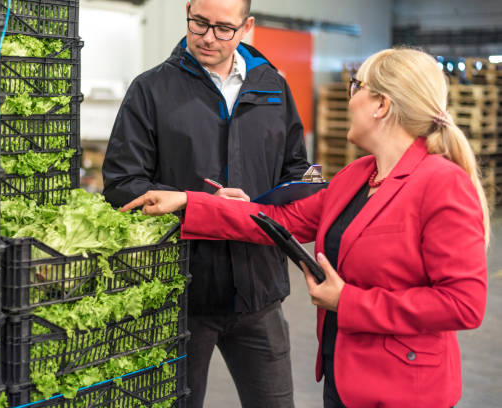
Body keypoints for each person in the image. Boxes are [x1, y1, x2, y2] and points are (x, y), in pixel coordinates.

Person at [120, 48, 489, 408]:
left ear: (382, 105)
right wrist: (190, 202)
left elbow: (463, 304)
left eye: (355, 87)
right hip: (343, 374)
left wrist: (348, 302)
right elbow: (279, 222)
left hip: (403, 387)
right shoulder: (356, 176)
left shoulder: (441, 183)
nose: (350, 99)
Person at [102, 0, 310, 406]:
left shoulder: (273, 87)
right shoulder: (152, 89)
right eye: (199, 23)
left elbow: (295, 169)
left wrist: (283, 195)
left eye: (223, 28)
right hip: (181, 293)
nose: (208, 37)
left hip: (259, 292)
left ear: (246, 26)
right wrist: (200, 204)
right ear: (187, 12)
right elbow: (122, 185)